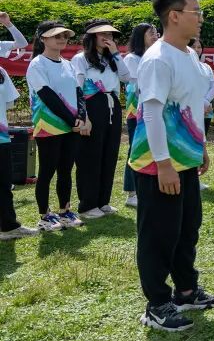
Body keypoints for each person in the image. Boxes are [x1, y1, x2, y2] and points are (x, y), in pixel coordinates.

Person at [129, 0, 214, 332]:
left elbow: (190, 108)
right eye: (195, 12)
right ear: (174, 16)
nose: (201, 18)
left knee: (186, 228)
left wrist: (200, 148)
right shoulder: (158, 59)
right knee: (158, 235)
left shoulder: (189, 57)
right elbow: (151, 113)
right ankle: (156, 304)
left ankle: (186, 290)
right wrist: (164, 164)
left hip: (185, 160)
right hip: (158, 165)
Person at [27, 21, 86, 231]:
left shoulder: (68, 64)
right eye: (56, 36)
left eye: (64, 36)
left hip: (71, 126)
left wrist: (81, 116)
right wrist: (73, 120)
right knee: (47, 171)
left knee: (65, 170)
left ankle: (64, 211)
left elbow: (79, 93)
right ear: (43, 38)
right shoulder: (37, 65)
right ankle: (44, 216)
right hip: (48, 126)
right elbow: (48, 96)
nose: (62, 39)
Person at [72, 19, 130, 219]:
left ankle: (103, 201)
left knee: (109, 153)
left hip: (112, 105)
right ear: (91, 37)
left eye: (110, 34)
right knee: (90, 155)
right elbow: (78, 88)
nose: (107, 37)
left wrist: (116, 53)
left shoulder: (112, 58)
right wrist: (84, 116)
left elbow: (126, 77)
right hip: (92, 105)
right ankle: (88, 205)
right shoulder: (81, 59)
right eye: (102, 34)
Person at [1, 32, 37, 239]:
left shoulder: (1, 73)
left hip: (2, 138)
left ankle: (8, 226)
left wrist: (8, 24)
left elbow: (9, 103)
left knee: (3, 184)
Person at [122, 23, 159, 207]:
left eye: (156, 32)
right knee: (135, 149)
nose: (155, 35)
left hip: (154, 109)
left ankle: (147, 187)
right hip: (137, 111)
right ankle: (131, 192)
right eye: (151, 33)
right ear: (140, 36)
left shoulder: (155, 56)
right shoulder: (132, 58)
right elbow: (137, 85)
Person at [190, 37, 214, 191]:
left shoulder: (206, 67)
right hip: (190, 110)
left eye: (199, 47)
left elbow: (213, 87)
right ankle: (190, 177)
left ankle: (196, 177)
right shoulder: (185, 67)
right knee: (191, 141)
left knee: (201, 142)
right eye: (194, 46)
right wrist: (201, 104)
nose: (197, 49)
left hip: (205, 110)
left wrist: (205, 103)